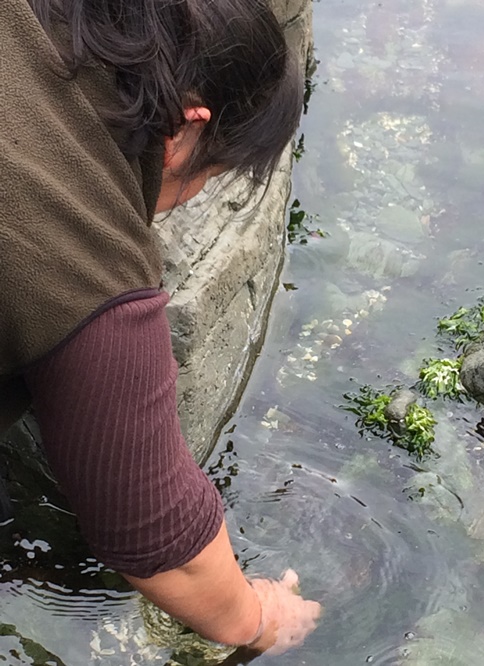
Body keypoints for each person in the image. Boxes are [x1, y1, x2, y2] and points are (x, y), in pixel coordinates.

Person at [0, 0, 320, 655]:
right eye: (215, 170)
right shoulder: (89, 271)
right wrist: (261, 618)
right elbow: (158, 540)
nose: (196, 193)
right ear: (185, 127)